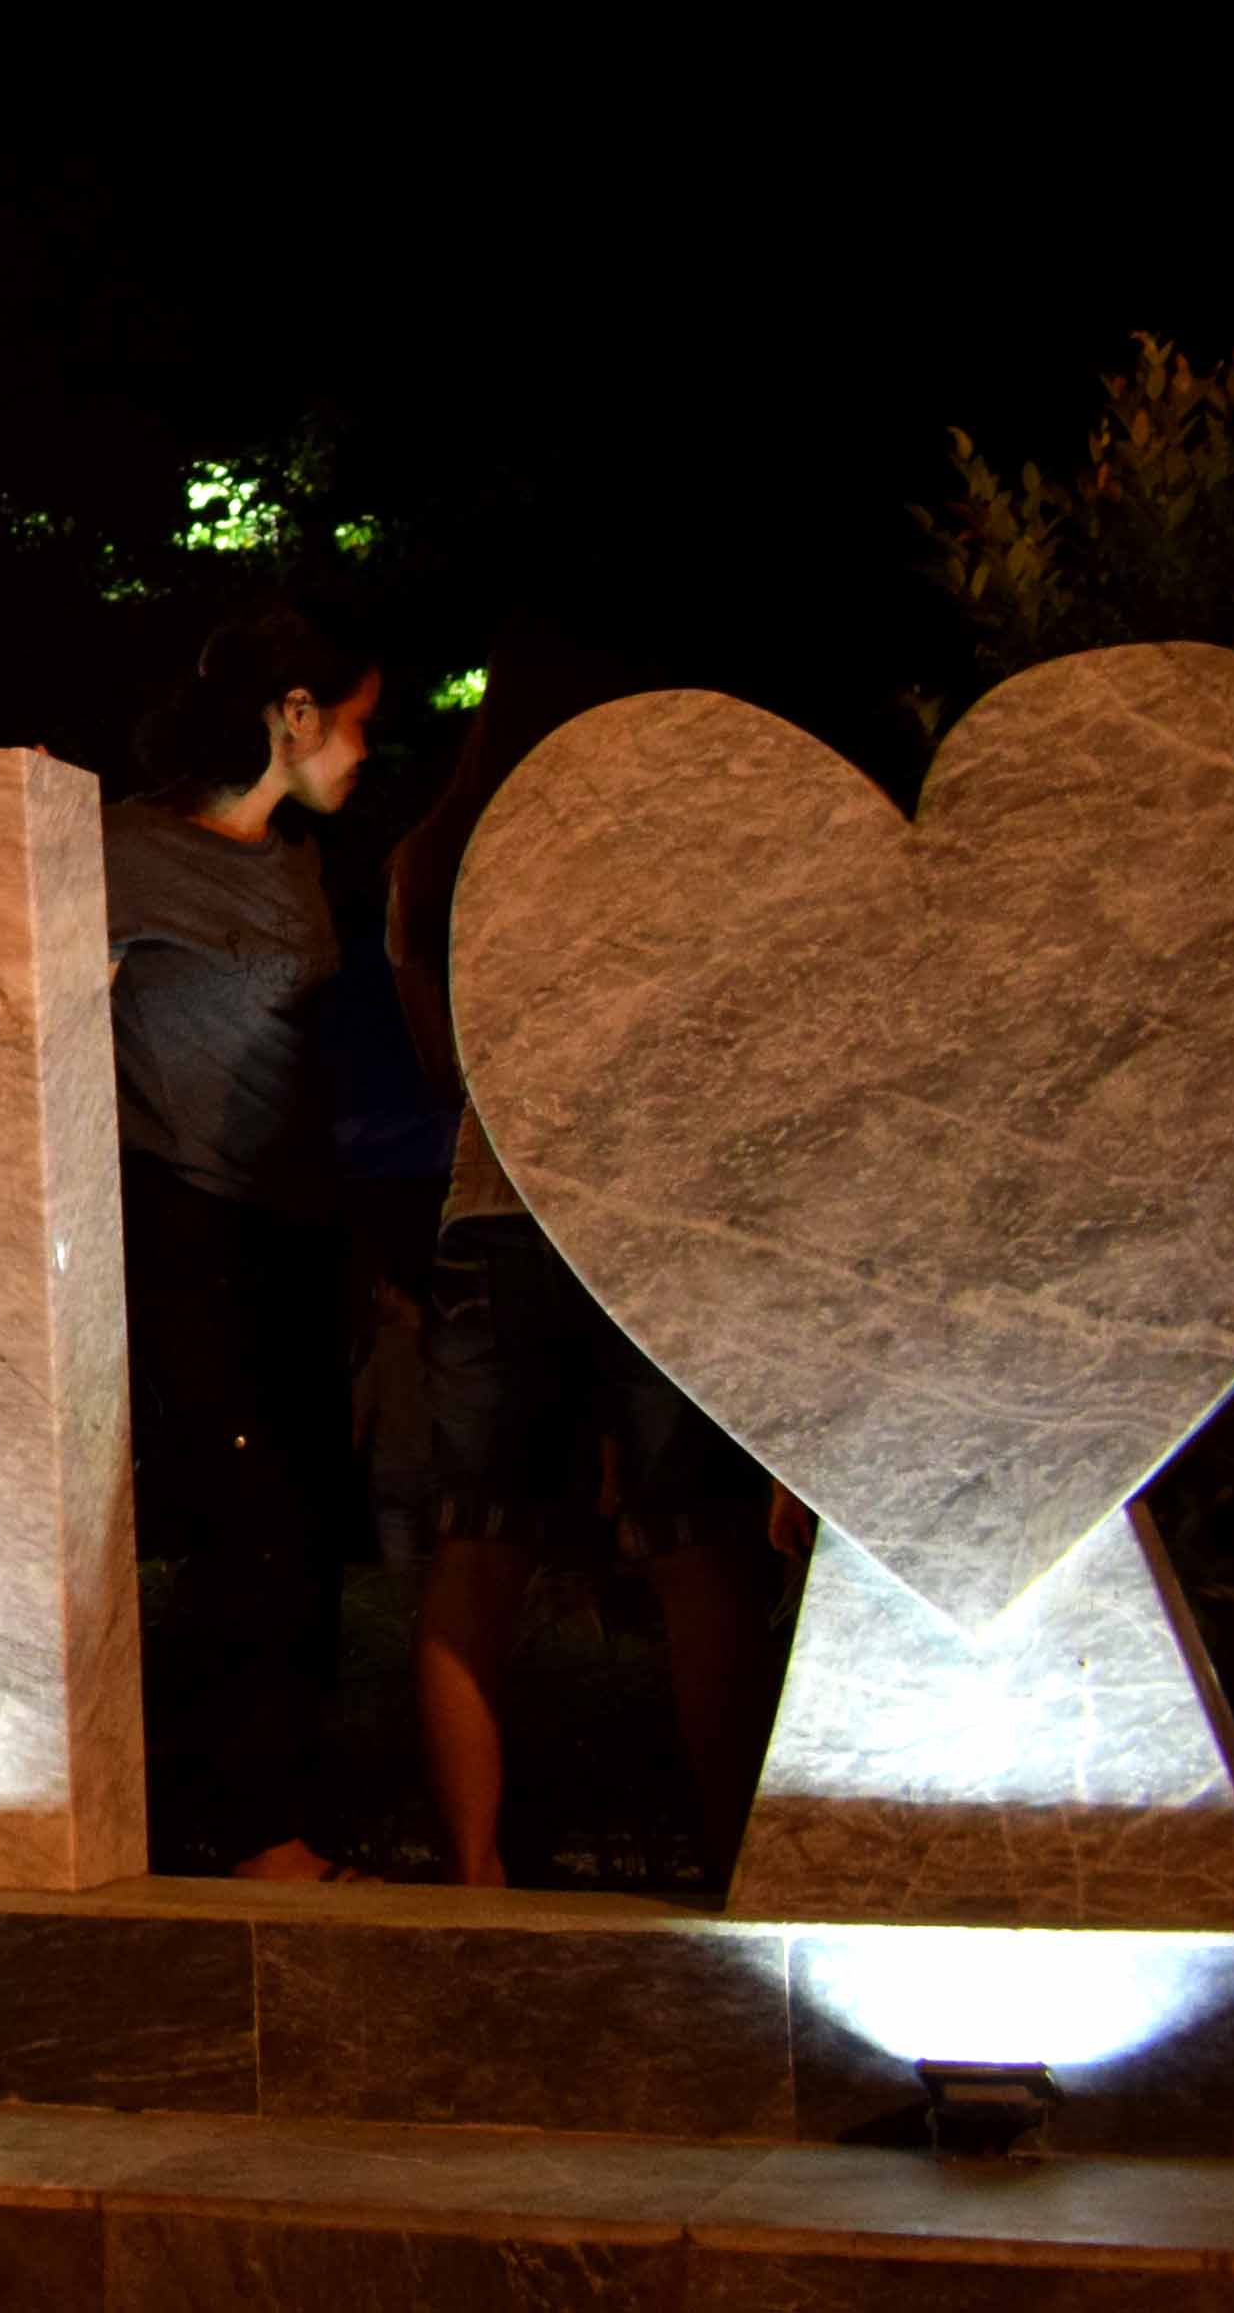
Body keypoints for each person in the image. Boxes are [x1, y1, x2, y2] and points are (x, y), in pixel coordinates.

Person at [388, 626, 783, 1890]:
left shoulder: (437, 858)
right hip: (645, 1221)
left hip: (492, 1216)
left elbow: (444, 1068)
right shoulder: (654, 849)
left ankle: (476, 1875)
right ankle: (735, 1864)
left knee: (476, 1546)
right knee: (695, 1547)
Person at [106, 611, 384, 1884]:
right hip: (187, 1215)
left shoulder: (296, 863)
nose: (366, 753)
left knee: (310, 1524)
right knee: (244, 1513)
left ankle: (284, 1822)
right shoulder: (120, 848)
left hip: (297, 1223)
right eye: (358, 723)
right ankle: (251, 1830)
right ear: (294, 712)